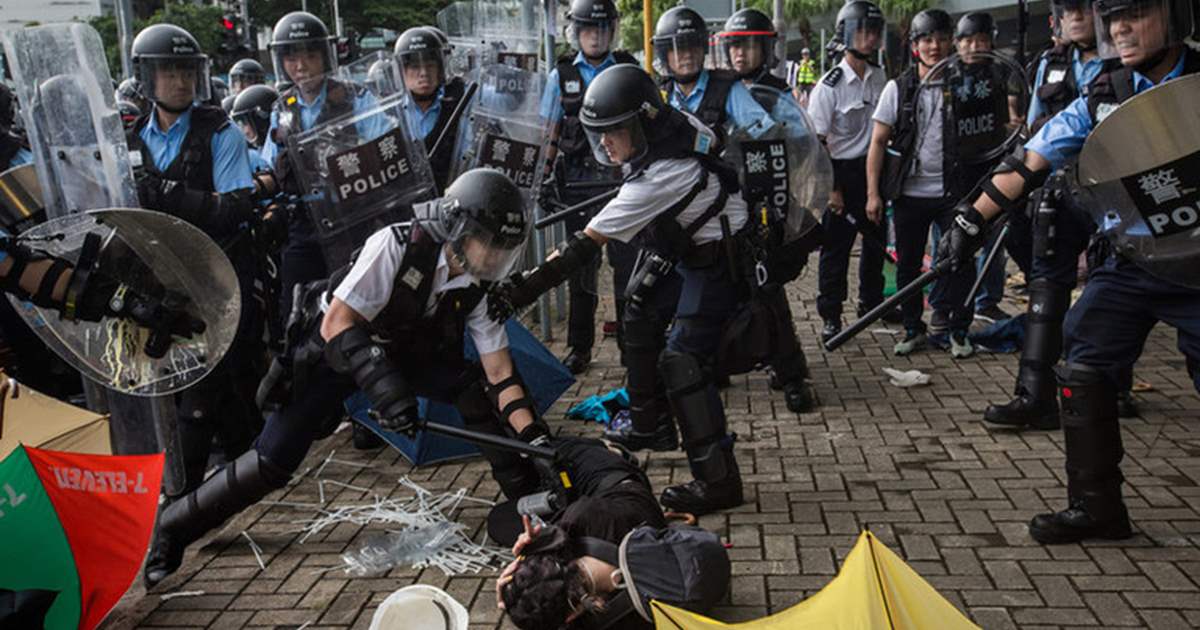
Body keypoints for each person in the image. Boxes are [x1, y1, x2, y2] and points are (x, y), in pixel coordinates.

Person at [143, 168, 553, 586]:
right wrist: (386, 391)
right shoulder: (395, 244)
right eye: (490, 243)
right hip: (335, 351)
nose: (494, 257)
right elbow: (337, 322)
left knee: (472, 392)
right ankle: (173, 527)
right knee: (274, 458)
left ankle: (530, 500)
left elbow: (500, 371)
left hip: (407, 351)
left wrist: (534, 437)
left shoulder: (478, 284)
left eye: (505, 248)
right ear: (457, 226)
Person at [936, 0, 1200, 544]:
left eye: (1136, 12)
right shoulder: (1105, 90)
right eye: (1114, 16)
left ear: (1176, 14)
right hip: (1135, 260)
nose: (1120, 27)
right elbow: (1035, 157)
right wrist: (971, 219)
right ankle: (1097, 507)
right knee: (1083, 353)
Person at [490, 64, 750, 516]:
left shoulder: (664, 174)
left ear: (643, 123)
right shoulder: (674, 125)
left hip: (721, 261)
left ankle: (719, 482)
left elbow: (581, 248)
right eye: (598, 133)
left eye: (615, 132)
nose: (605, 144)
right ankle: (652, 425)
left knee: (683, 360)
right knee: (639, 305)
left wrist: (516, 293)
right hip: (692, 247)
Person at [125, 23, 268, 504]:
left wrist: (169, 195)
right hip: (161, 275)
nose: (180, 82)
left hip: (218, 270)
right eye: (169, 72)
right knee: (197, 378)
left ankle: (181, 495)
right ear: (147, 78)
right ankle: (250, 461)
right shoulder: (127, 137)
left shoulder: (220, 130)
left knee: (211, 376)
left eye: (187, 71)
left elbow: (234, 207)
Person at [983, 0, 1139, 430]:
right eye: (1066, 8)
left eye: (1083, 8)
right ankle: (1033, 395)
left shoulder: (1128, 62)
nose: (1074, 16)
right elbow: (1036, 131)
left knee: (1115, 291)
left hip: (1114, 196)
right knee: (1045, 288)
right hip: (1055, 190)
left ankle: (1112, 385)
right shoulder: (1049, 62)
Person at [712, 7, 818, 413]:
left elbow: (799, 140)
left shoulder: (778, 92)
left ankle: (790, 370)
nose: (740, 54)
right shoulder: (716, 87)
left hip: (763, 204)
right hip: (721, 205)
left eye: (749, 45)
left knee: (766, 287)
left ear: (766, 48)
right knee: (722, 285)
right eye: (734, 46)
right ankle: (720, 360)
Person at [865, 9, 978, 358]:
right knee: (908, 265)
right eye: (926, 39)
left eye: (942, 38)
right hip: (908, 195)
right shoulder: (897, 88)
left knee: (961, 261)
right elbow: (878, 142)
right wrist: (873, 194)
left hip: (952, 195)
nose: (935, 46)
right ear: (914, 46)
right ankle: (914, 329)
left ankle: (958, 330)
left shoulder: (966, 85)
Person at [260, 11, 388, 319]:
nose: (301, 66)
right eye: (291, 58)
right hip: (303, 226)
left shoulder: (358, 99)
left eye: (310, 56)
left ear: (324, 57)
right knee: (294, 313)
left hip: (352, 222)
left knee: (356, 313)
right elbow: (269, 168)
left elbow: (387, 154)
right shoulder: (282, 111)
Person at [540, 0, 639, 375]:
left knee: (627, 268)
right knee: (580, 269)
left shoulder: (627, 69)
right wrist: (543, 179)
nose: (595, 36)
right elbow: (549, 132)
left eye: (601, 29)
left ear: (612, 30)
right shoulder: (560, 75)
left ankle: (633, 346)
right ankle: (579, 348)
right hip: (576, 187)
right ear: (576, 32)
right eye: (588, 29)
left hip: (622, 184)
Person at [495, 438, 665, 629]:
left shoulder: (609, 620)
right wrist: (538, 545)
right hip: (617, 483)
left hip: (614, 503)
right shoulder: (582, 517)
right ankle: (613, 452)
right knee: (569, 448)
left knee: (500, 522)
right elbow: (560, 540)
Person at [808, 0, 894, 343]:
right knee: (835, 249)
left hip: (872, 172)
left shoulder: (881, 77)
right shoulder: (828, 86)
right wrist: (831, 190)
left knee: (875, 244)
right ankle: (831, 313)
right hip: (838, 173)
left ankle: (872, 304)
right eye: (862, 32)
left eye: (873, 33)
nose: (869, 40)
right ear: (845, 35)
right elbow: (816, 142)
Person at [953, 11, 1028, 323]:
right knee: (953, 240)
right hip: (957, 170)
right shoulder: (947, 76)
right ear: (957, 44)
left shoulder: (999, 73)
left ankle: (987, 300)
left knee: (994, 240)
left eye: (981, 39)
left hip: (992, 166)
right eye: (968, 40)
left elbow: (1010, 116)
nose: (974, 46)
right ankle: (955, 306)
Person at [395, 26, 469, 193]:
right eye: (414, 67)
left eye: (430, 66)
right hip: (406, 202)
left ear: (440, 70)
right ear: (402, 72)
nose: (423, 73)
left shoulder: (461, 103)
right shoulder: (389, 113)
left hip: (452, 196)